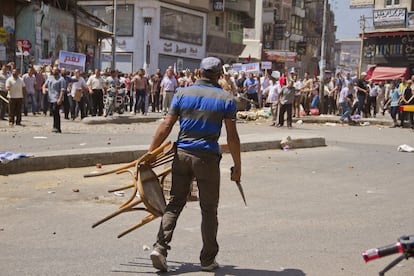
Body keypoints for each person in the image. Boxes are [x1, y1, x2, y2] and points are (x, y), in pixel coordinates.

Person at [148, 57, 241, 272]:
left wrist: (150, 153)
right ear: (219, 75)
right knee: (209, 209)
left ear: (199, 72)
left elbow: (166, 125)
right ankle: (208, 260)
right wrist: (237, 166)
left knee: (175, 202)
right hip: (207, 158)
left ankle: (160, 248)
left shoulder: (182, 93)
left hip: (181, 155)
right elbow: (232, 136)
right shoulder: (225, 98)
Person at [43, 66, 66, 133]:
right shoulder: (50, 78)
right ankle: (54, 126)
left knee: (56, 111)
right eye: (54, 70)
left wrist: (60, 98)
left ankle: (57, 127)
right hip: (50, 98)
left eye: (56, 70)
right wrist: (44, 90)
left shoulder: (61, 79)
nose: (55, 71)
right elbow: (44, 85)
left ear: (58, 71)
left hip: (57, 98)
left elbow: (62, 90)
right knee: (53, 112)